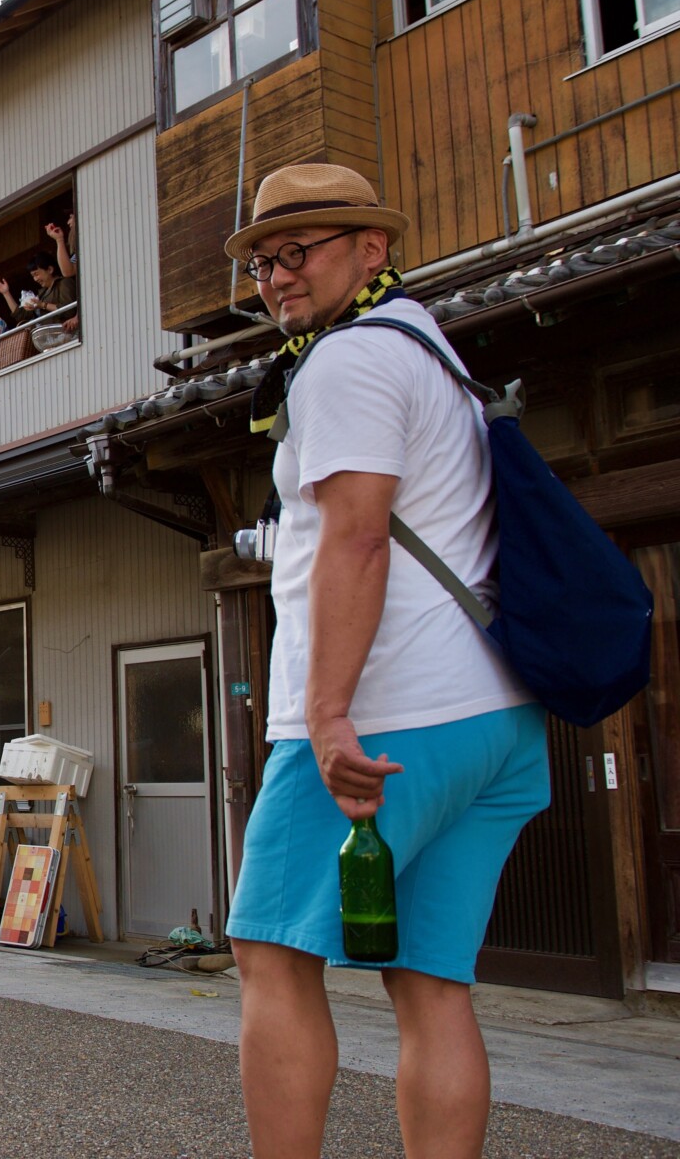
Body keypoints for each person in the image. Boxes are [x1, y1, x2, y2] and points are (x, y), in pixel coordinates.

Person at [221, 163, 543, 1159]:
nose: (277, 275)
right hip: (491, 715)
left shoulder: (348, 359)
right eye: (263, 261)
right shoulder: (430, 350)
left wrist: (325, 714)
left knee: (271, 952)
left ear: (372, 248)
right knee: (433, 983)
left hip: (385, 719)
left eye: (298, 251)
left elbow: (357, 538)